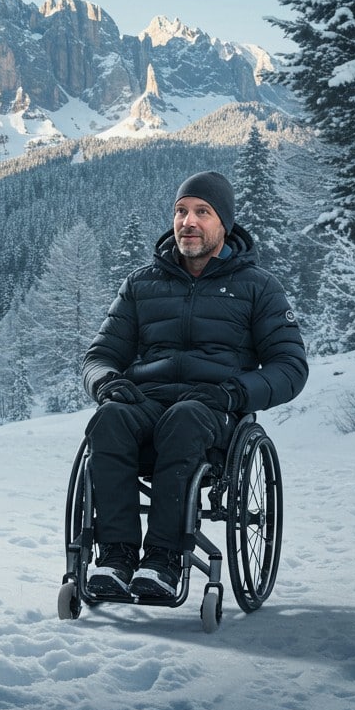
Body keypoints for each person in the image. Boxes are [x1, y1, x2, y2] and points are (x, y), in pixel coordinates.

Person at [81, 170, 307, 599]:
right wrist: (107, 382)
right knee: (109, 418)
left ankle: (164, 560)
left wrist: (234, 393)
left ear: (224, 223)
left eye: (202, 212)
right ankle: (116, 557)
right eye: (181, 211)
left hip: (214, 411)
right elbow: (99, 356)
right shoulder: (141, 284)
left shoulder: (258, 288)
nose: (188, 221)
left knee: (185, 420)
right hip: (146, 404)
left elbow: (290, 367)